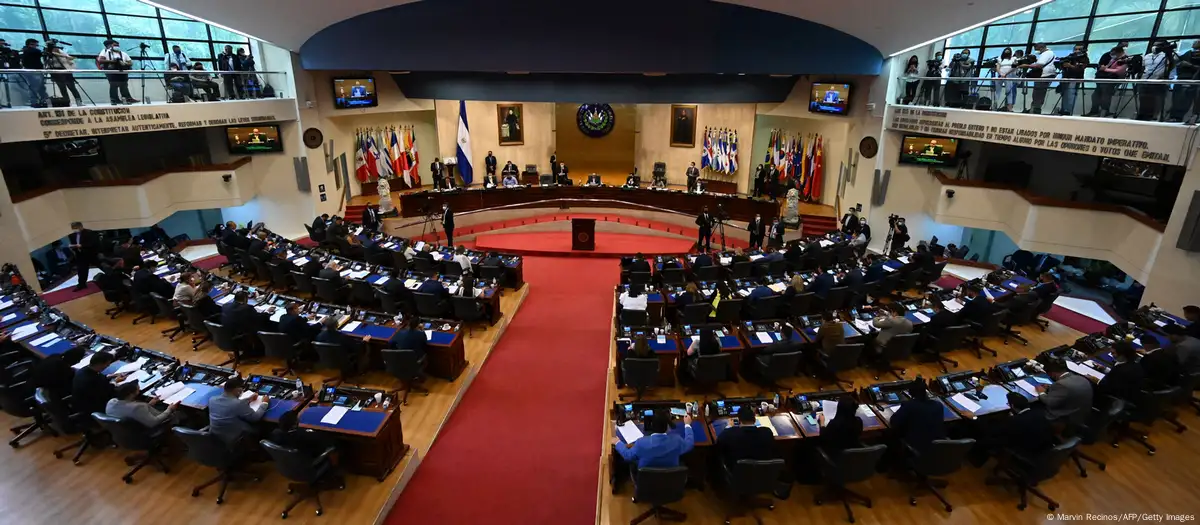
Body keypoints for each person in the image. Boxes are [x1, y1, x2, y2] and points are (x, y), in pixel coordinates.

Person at [971, 393, 1056, 466]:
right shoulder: (1039, 412)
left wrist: (974, 417)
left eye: (1008, 404)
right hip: (1044, 448)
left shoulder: (1015, 421)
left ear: (1012, 406)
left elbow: (990, 430)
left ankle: (976, 459)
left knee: (986, 437)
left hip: (1028, 451)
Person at [612, 410, 694, 468]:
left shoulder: (641, 443)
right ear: (667, 427)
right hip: (669, 481)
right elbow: (689, 444)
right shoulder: (677, 441)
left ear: (652, 426)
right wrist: (687, 425)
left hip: (646, 482)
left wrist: (618, 442)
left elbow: (628, 455)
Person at [888, 381, 946, 454]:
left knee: (890, 435)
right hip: (939, 447)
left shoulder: (909, 406)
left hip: (919, 449)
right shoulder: (938, 405)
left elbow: (894, 422)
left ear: (911, 393)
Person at [208, 377, 269, 447]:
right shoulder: (237, 404)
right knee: (263, 427)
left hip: (216, 436)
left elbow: (232, 404)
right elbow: (255, 418)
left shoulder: (212, 399)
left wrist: (249, 399)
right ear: (238, 390)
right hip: (234, 438)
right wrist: (264, 403)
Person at [1036, 359, 1093, 427]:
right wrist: (1051, 387)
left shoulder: (1062, 384)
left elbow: (1049, 402)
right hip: (1080, 414)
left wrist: (1041, 393)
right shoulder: (1081, 378)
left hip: (1064, 419)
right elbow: (1070, 390)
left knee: (1033, 411)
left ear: (1053, 373)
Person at [716, 404, 776, 469]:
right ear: (755, 420)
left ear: (739, 421)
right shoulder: (767, 432)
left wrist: (729, 426)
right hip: (763, 473)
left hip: (738, 474)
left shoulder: (729, 434)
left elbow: (719, 441)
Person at [107, 382, 180, 429]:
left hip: (127, 431)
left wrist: (149, 405)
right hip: (146, 429)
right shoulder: (137, 407)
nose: (139, 391)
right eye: (137, 390)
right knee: (181, 413)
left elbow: (130, 412)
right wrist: (169, 409)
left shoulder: (111, 402)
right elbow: (154, 422)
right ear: (131, 394)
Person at [1094, 341, 1145, 407]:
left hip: (1117, 398)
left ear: (1122, 355)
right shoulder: (1134, 363)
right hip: (1131, 393)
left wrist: (1097, 381)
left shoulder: (1121, 370)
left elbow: (1109, 388)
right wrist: (1105, 369)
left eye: (1113, 353)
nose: (1111, 354)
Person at [72, 352, 120, 416]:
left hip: (81, 401)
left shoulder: (85, 369)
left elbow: (98, 378)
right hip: (93, 407)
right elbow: (106, 391)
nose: (108, 366)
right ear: (100, 364)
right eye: (107, 364)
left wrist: (108, 376)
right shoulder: (91, 380)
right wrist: (115, 382)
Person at [1087, 46, 1127, 118]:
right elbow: (1106, 66)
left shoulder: (1124, 59)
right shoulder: (1112, 58)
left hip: (1111, 79)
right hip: (1102, 78)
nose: (1112, 55)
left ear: (1119, 53)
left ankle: (1104, 111)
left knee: (1106, 95)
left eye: (1114, 54)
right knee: (1095, 95)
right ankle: (1094, 110)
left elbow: (1119, 71)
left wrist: (1105, 69)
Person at [1138, 40, 1173, 121]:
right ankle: (1143, 114)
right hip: (1145, 79)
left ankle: (1155, 116)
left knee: (1157, 99)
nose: (1154, 47)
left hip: (1157, 81)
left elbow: (1170, 66)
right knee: (1144, 98)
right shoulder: (1147, 56)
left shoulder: (1166, 56)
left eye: (1157, 45)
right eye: (1154, 45)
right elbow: (1143, 67)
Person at [1018, 43, 1057, 115]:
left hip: (1044, 76)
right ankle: (1035, 108)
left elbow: (1040, 65)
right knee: (1038, 93)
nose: (1037, 51)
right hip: (1043, 75)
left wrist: (1027, 65)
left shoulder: (1047, 53)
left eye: (1037, 50)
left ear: (1041, 48)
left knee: (1038, 93)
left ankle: (1036, 109)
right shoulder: (1048, 53)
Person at [44, 41, 82, 107]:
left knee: (72, 87)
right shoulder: (48, 53)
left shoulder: (61, 51)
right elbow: (49, 60)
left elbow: (68, 58)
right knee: (62, 89)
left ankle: (79, 102)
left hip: (65, 70)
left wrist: (66, 57)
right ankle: (67, 102)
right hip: (56, 71)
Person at [96, 39, 134, 105]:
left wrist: (123, 63)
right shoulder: (105, 51)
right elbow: (100, 60)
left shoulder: (122, 53)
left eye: (118, 45)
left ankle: (127, 98)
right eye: (115, 45)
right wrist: (113, 61)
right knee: (113, 84)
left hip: (122, 71)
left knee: (124, 84)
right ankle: (114, 99)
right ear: (110, 45)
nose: (117, 46)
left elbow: (130, 62)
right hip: (111, 71)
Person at [1058, 43, 1089, 115]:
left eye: (1079, 49)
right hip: (1066, 77)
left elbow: (1080, 68)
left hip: (1075, 78)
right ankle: (1063, 109)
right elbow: (1061, 63)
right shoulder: (1070, 56)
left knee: (1071, 94)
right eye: (1075, 49)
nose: (1077, 51)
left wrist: (1071, 66)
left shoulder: (1084, 58)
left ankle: (1068, 111)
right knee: (1064, 94)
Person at [68, 222, 100, 291]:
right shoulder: (72, 235)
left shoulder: (89, 233)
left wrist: (81, 245)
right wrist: (73, 247)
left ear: (80, 227)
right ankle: (82, 284)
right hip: (80, 255)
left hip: (91, 253)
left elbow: (93, 243)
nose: (74, 230)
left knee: (101, 265)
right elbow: (73, 244)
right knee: (81, 270)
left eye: (75, 228)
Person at [17, 39, 47, 108]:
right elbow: (39, 52)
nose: (36, 46)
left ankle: (42, 101)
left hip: (35, 71)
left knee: (40, 87)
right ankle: (34, 102)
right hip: (33, 71)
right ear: (30, 44)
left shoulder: (26, 51)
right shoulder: (30, 51)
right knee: (34, 87)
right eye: (35, 45)